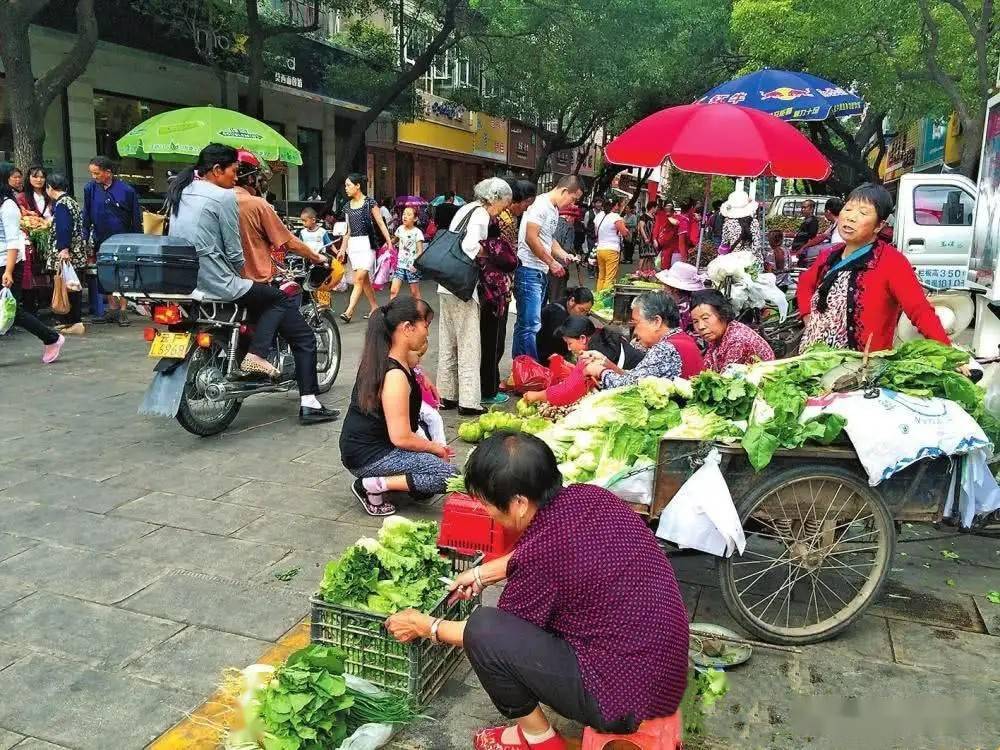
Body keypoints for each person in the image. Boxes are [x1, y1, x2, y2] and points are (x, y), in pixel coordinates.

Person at [385, 433, 689, 750]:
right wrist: (481, 572)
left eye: (487, 504)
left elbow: (497, 637)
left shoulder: (542, 560)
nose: (486, 512)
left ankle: (539, 740)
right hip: (663, 663)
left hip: (621, 699)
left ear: (518, 503)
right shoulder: (590, 498)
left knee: (483, 628)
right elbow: (546, 550)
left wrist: (426, 626)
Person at [166, 144, 337, 426]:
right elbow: (252, 249)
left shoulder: (182, 192)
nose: (234, 177)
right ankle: (302, 397)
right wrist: (317, 257)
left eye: (236, 171)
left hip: (188, 281)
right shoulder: (236, 200)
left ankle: (254, 355)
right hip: (225, 281)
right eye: (231, 171)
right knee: (294, 323)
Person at [797, 183, 950, 353]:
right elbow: (805, 282)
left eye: (863, 213)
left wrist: (947, 352)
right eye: (848, 209)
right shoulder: (829, 255)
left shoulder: (891, 262)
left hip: (860, 369)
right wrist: (807, 316)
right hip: (813, 360)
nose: (851, 217)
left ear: (879, 225)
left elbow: (920, 310)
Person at [340, 297, 456, 516]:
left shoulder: (392, 358)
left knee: (425, 488)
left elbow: (416, 362)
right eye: (425, 325)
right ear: (407, 328)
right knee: (449, 477)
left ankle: (386, 481)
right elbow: (401, 437)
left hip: (373, 448)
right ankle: (370, 485)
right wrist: (435, 448)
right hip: (370, 455)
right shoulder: (394, 375)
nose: (427, 333)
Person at [437, 178, 513, 415]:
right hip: (463, 287)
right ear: (495, 197)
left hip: (446, 284)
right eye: (503, 205)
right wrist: (492, 254)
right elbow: (471, 246)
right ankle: (469, 401)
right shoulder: (480, 214)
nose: (502, 210)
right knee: (469, 344)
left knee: (448, 342)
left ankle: (447, 395)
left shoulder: (465, 209)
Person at [513, 175, 584, 361]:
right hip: (528, 269)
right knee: (530, 325)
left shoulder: (553, 210)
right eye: (573, 199)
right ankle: (530, 368)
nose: (571, 204)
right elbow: (531, 237)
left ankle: (522, 367)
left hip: (539, 271)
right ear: (563, 191)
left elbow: (548, 239)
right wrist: (551, 262)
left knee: (526, 324)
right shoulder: (540, 205)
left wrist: (563, 255)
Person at [1, 162, 64, 363]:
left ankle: (51, 337)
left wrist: (9, 271)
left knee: (13, 311)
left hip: (7, 263)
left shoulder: (8, 206)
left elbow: (13, 241)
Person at [480, 179, 534, 406]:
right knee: (493, 340)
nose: (526, 208)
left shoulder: (504, 218)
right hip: (495, 288)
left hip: (499, 287)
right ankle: (488, 389)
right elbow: (500, 254)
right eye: (526, 203)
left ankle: (488, 386)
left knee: (495, 338)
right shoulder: (500, 219)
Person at [585, 291, 703, 385]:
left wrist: (600, 371)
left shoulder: (666, 348)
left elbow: (630, 386)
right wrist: (607, 364)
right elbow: (636, 378)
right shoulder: (681, 339)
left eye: (636, 324)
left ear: (656, 321)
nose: (635, 332)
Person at [523, 317, 644, 407]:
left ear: (582, 338)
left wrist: (537, 395)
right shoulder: (599, 335)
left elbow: (568, 391)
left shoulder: (595, 354)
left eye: (569, 343)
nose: (569, 348)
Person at [83, 156, 142, 326]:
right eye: (92, 173)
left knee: (123, 272)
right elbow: (86, 214)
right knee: (105, 272)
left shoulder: (127, 190)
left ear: (108, 172)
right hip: (101, 237)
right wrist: (85, 236)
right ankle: (112, 308)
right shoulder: (90, 189)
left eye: (97, 173)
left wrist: (136, 239)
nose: (94, 176)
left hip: (123, 237)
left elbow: (135, 217)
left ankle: (123, 310)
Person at [339, 173, 395, 323]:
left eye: (349, 185)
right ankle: (375, 307)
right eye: (346, 185)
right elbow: (347, 231)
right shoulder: (347, 207)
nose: (346, 188)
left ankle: (349, 311)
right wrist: (342, 249)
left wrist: (389, 241)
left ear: (358, 186)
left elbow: (381, 223)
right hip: (353, 246)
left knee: (359, 278)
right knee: (364, 281)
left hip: (368, 244)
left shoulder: (370, 203)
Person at [690, 289, 775, 372]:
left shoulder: (737, 339)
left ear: (722, 314)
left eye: (705, 318)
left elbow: (726, 381)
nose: (701, 327)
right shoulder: (718, 336)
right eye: (695, 321)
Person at [45, 173, 88, 336]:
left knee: (68, 287)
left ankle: (73, 321)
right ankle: (73, 321)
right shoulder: (71, 202)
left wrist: (63, 249)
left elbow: (64, 228)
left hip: (67, 253)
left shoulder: (62, 204)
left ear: (50, 187)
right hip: (75, 252)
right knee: (72, 286)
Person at [536, 287, 594, 364]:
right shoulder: (558, 315)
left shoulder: (565, 303)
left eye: (587, 312)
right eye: (581, 310)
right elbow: (560, 344)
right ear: (572, 301)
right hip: (545, 355)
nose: (583, 315)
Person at [655, 261, 706, 332]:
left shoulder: (682, 308)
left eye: (665, 286)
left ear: (674, 289)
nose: (663, 289)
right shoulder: (689, 300)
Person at [593, 195, 629, 293]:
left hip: (600, 249)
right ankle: (605, 300)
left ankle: (598, 298)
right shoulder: (615, 217)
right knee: (610, 277)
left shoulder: (599, 216)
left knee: (601, 276)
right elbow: (625, 233)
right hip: (612, 250)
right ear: (616, 205)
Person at [719, 189, 763, 264]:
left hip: (735, 262)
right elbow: (756, 244)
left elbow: (725, 243)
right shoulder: (754, 222)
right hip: (751, 261)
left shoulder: (728, 223)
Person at [391, 206, 424, 301]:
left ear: (415, 218)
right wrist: (387, 244)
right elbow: (395, 240)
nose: (404, 216)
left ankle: (420, 314)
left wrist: (415, 264)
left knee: (415, 293)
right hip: (400, 265)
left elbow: (420, 251)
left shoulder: (417, 232)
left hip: (411, 267)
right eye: (404, 214)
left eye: (409, 214)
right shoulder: (400, 229)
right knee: (393, 291)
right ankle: (391, 313)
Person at [548, 204, 579, 303]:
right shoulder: (568, 226)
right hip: (560, 266)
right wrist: (573, 256)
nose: (574, 221)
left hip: (547, 263)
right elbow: (567, 247)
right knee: (557, 298)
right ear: (569, 216)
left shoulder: (551, 223)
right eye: (574, 218)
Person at [654, 201, 681, 270]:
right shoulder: (661, 217)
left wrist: (668, 217)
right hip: (664, 246)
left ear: (672, 211)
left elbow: (677, 223)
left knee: (672, 267)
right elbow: (656, 228)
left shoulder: (674, 218)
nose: (667, 209)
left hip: (674, 246)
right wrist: (655, 239)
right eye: (666, 207)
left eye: (670, 207)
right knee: (664, 265)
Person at [635, 201, 657, 273]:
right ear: (652, 208)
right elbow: (641, 228)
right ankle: (639, 272)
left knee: (650, 256)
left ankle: (648, 272)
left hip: (651, 239)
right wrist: (645, 238)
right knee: (643, 256)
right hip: (645, 239)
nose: (656, 209)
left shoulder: (654, 217)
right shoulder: (643, 216)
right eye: (656, 207)